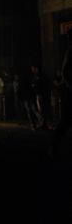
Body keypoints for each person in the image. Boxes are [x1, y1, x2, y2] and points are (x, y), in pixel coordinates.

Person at [51, 29, 72, 159]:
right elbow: (65, 71)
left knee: (65, 121)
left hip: (69, 90)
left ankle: (54, 148)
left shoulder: (70, 51)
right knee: (65, 121)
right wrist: (69, 84)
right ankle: (54, 148)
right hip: (70, 92)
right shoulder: (70, 51)